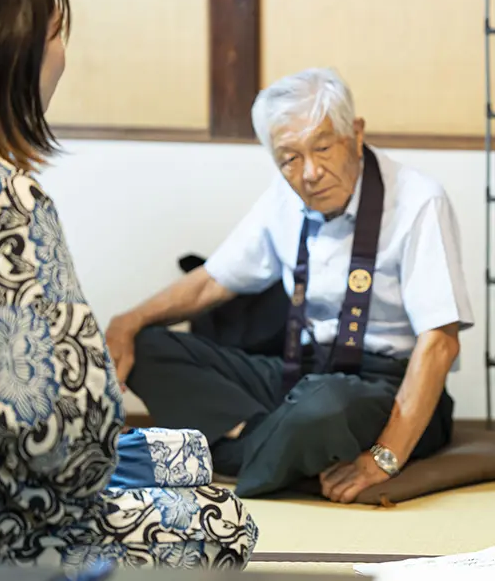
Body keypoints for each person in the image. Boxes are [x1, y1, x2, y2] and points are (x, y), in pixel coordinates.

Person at [0, 0, 256, 571]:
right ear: (11, 52)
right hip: (14, 511)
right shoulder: (8, 198)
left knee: (186, 452)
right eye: (55, 35)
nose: (64, 56)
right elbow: (58, 417)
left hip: (24, 464)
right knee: (225, 521)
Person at [106, 67, 474, 502]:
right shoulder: (283, 200)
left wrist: (384, 458)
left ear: (355, 134)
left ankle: (217, 461)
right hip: (300, 376)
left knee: (324, 406)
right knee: (150, 347)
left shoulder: (417, 201)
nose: (310, 172)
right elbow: (210, 283)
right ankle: (287, 450)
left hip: (386, 386)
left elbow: (440, 343)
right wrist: (127, 322)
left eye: (322, 147)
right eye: (290, 158)